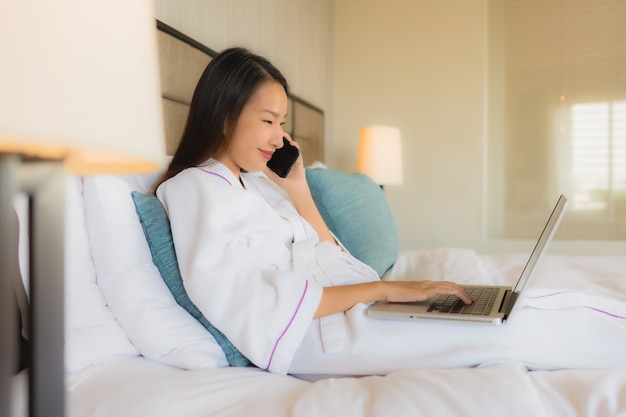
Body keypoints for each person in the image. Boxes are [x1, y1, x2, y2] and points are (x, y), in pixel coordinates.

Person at [155, 47, 626, 377]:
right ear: (223, 114)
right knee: (514, 326)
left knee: (512, 307)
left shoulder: (259, 185)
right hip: (311, 337)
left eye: (282, 123)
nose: (280, 137)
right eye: (268, 121)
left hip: (343, 311)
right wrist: (386, 287)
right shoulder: (194, 189)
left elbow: (327, 254)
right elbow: (252, 304)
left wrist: (299, 191)